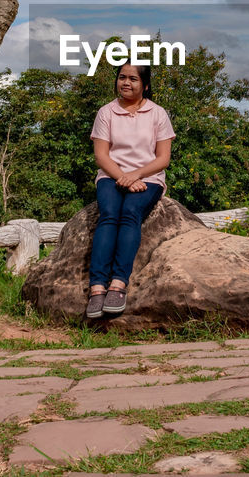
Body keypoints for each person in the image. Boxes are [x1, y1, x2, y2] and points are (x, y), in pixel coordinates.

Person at [86, 62, 174, 318]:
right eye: (122, 77)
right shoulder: (106, 112)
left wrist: (135, 175)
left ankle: (118, 283)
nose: (126, 83)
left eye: (133, 79)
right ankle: (97, 287)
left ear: (145, 85)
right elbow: (102, 156)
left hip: (148, 178)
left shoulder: (158, 114)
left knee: (130, 212)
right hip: (111, 176)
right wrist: (123, 177)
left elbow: (163, 158)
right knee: (109, 214)